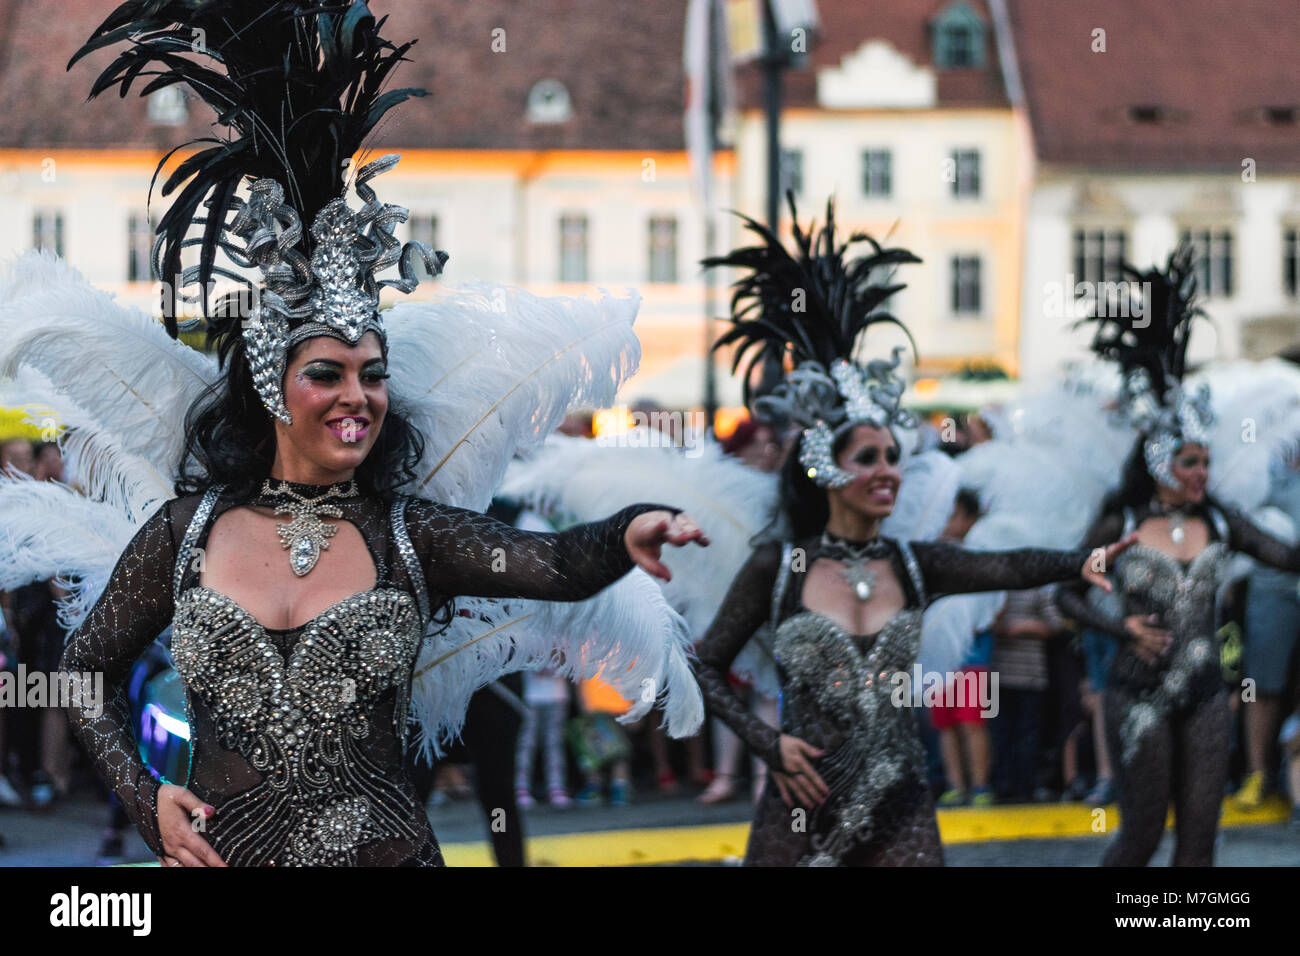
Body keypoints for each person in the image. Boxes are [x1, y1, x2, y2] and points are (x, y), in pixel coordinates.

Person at [0, 1, 710, 868]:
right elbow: (85, 668)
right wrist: (148, 799)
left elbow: (555, 567)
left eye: (373, 375)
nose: (359, 397)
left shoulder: (410, 536)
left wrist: (630, 529)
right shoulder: (186, 536)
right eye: (327, 374)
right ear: (271, 387)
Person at [692, 196, 1134, 866]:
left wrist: (1080, 560)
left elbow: (1005, 567)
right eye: (867, 458)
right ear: (824, 470)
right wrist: (766, 743)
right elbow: (704, 666)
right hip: (800, 807)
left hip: (901, 805)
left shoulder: (918, 563)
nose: (889, 471)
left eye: (894, 456)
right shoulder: (779, 567)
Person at [1056, 245, 1300, 866]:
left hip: (1206, 697)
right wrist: (1119, 627)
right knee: (1140, 837)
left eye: (1207, 460)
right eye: (1190, 461)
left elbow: (1287, 556)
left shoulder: (1221, 519)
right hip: (1136, 694)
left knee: (1199, 845)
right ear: (1159, 462)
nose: (1203, 471)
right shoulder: (1123, 520)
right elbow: (1064, 593)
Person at [1234, 454, 1300, 808]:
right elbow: (1241, 510)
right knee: (1260, 682)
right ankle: (1257, 772)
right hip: (1272, 581)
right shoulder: (1266, 448)